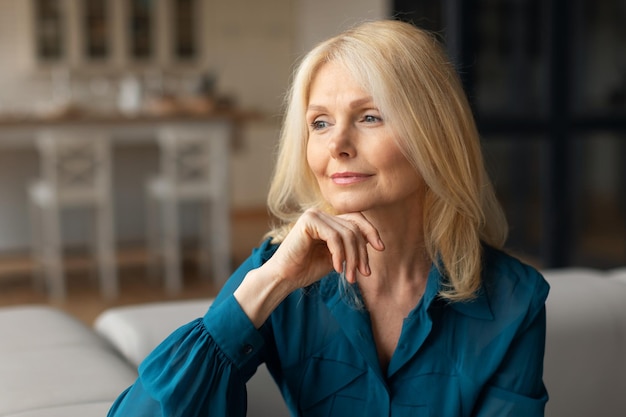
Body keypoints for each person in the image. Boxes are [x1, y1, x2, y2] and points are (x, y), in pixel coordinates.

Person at [108, 19, 550, 417]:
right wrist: (269, 283)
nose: (337, 144)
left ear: (434, 135)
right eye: (319, 123)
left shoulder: (515, 300)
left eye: (370, 117)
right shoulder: (279, 270)